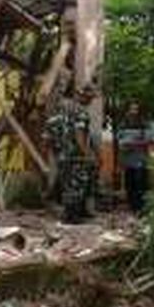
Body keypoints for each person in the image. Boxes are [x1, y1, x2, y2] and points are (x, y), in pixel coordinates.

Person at [45, 85, 97, 224]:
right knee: (77, 185)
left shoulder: (61, 111)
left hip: (63, 154)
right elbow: (79, 135)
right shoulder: (81, 112)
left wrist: (56, 151)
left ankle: (71, 214)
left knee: (68, 185)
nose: (90, 101)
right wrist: (88, 154)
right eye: (89, 98)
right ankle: (72, 217)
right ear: (82, 96)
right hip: (76, 155)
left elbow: (48, 133)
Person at [118, 101, 154, 215]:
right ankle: (133, 207)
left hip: (141, 161)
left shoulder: (145, 125)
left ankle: (142, 208)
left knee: (141, 185)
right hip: (128, 161)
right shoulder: (123, 125)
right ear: (128, 111)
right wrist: (135, 143)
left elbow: (150, 141)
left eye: (136, 109)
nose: (134, 112)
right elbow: (121, 143)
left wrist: (133, 143)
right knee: (130, 185)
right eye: (132, 109)